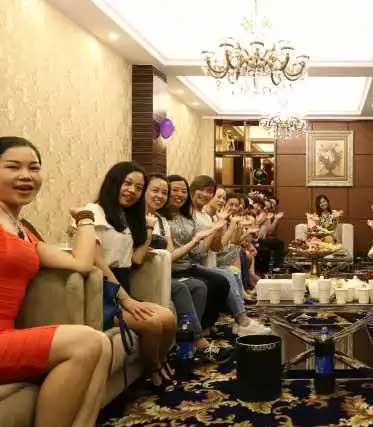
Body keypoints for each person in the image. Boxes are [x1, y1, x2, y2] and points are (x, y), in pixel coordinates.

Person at [0, 136, 111, 427]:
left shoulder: (22, 231)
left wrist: (85, 218)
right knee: (86, 341)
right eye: (13, 167)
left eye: (34, 168)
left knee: (101, 344)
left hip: (6, 334)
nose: (26, 175)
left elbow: (81, 263)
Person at [83, 162, 177, 391]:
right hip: (101, 293)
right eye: (127, 184)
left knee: (168, 317)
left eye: (138, 187)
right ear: (114, 183)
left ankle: (160, 361)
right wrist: (126, 299)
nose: (132, 191)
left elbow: (135, 259)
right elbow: (97, 262)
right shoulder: (93, 212)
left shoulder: (124, 217)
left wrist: (147, 230)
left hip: (122, 285)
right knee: (152, 323)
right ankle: (154, 368)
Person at [163, 180, 270, 336]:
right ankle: (238, 318)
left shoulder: (206, 217)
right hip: (194, 263)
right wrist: (219, 227)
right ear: (193, 191)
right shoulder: (188, 216)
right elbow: (200, 252)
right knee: (225, 273)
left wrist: (225, 226)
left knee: (233, 266)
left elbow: (217, 247)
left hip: (200, 261)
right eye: (217, 196)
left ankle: (236, 317)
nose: (219, 200)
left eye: (213, 193)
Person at [144, 174, 230, 362]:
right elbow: (173, 255)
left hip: (175, 266)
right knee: (195, 285)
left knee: (213, 282)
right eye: (172, 191)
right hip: (157, 273)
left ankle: (191, 336)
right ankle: (198, 340)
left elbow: (174, 253)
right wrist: (200, 238)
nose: (178, 195)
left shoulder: (163, 220)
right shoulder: (151, 219)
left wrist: (215, 230)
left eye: (182, 191)